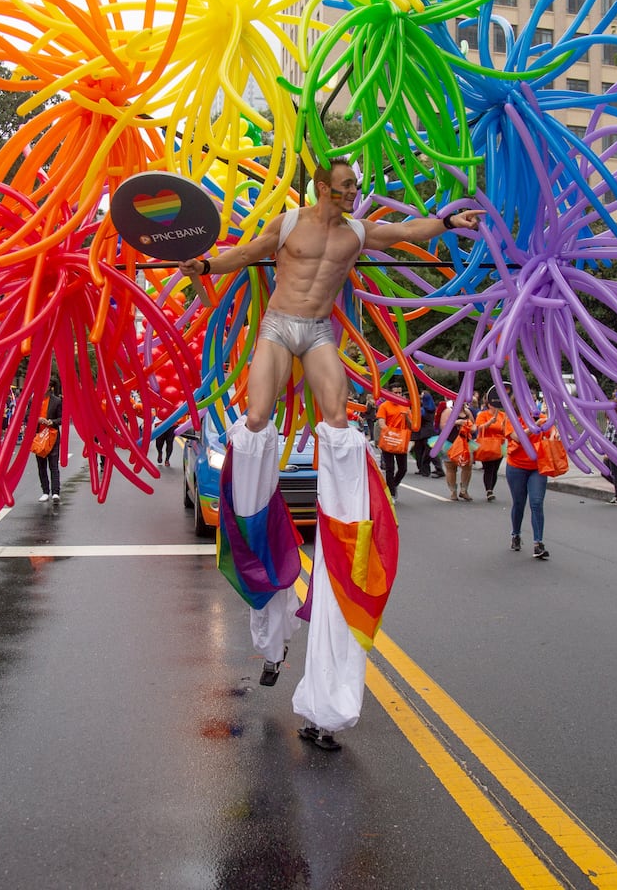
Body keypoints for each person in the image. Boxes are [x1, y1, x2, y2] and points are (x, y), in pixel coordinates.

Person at [178, 157, 482, 750]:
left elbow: (409, 232)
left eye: (355, 188)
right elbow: (245, 254)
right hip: (277, 325)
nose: (352, 195)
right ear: (322, 187)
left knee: (339, 423)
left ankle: (346, 499)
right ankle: (258, 534)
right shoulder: (290, 224)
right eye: (344, 187)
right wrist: (206, 264)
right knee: (258, 420)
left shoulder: (358, 232)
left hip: (317, 333)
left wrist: (448, 221)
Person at [504, 421, 548, 559]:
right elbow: (517, 437)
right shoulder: (512, 418)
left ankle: (538, 543)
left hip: (538, 467)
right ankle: (515, 534)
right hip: (516, 466)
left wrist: (554, 434)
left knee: (536, 502)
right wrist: (535, 426)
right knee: (519, 503)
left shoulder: (540, 417)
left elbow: (551, 430)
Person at [473, 388, 511, 502]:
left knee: (495, 468)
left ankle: (491, 489)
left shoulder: (503, 415)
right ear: (488, 404)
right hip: (487, 444)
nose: (495, 406)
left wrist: (504, 426)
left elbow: (506, 430)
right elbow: (479, 427)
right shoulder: (482, 414)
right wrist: (489, 423)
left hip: (499, 444)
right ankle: (488, 490)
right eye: (492, 404)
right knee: (488, 468)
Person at [375, 395, 412, 499]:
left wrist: (406, 417)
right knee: (390, 468)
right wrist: (390, 433)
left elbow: (411, 425)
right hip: (389, 439)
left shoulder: (405, 406)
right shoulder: (384, 406)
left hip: (401, 440)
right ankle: (391, 494)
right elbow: (381, 422)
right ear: (389, 394)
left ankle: (393, 485)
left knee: (403, 469)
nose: (398, 395)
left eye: (400, 392)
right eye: (395, 392)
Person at [440, 397, 474, 501]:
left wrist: (469, 426)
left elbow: (473, 426)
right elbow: (443, 426)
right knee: (451, 467)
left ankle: (464, 490)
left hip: (465, 443)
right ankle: (453, 491)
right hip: (450, 443)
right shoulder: (448, 411)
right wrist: (456, 422)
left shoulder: (467, 412)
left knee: (467, 466)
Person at [35, 380, 63, 502]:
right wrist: (37, 419)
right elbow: (27, 415)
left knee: (53, 464)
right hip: (39, 437)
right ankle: (45, 491)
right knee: (41, 465)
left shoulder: (56, 401)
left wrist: (52, 422)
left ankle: (55, 492)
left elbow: (62, 418)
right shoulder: (34, 400)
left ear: (50, 387)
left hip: (52, 435)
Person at [411, 389, 437, 476]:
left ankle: (424, 470)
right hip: (428, 432)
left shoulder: (423, 409)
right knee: (424, 452)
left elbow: (417, 418)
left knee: (422, 452)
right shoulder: (431, 407)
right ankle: (424, 469)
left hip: (423, 433)